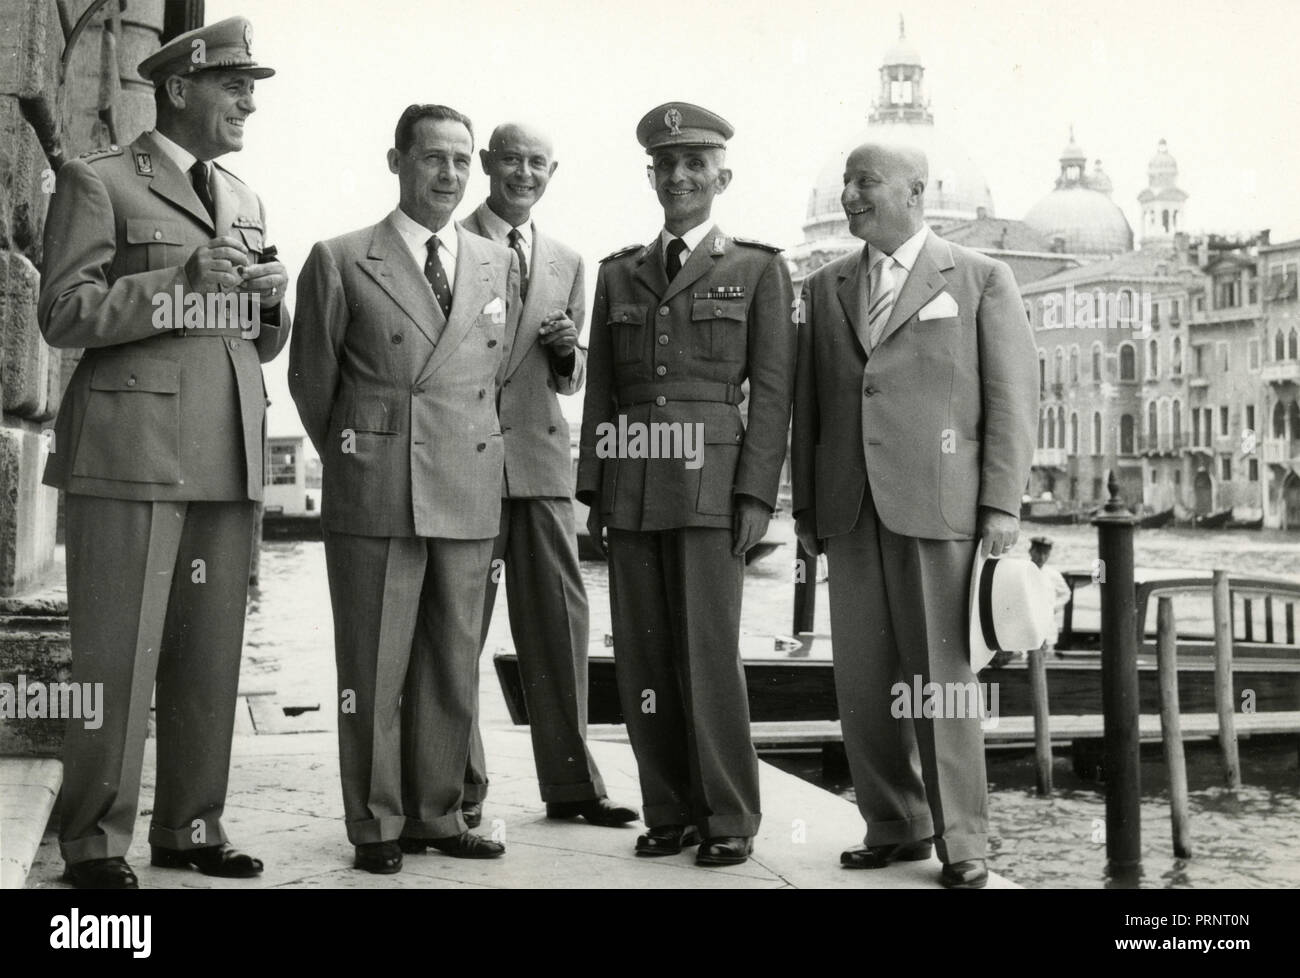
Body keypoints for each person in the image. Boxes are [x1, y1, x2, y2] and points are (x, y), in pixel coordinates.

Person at [38, 16, 289, 889]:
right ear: (180, 88)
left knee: (209, 655)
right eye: (234, 84)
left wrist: (268, 303)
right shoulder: (99, 180)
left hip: (226, 447)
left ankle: (188, 828)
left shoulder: (247, 200)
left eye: (253, 86)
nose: (248, 101)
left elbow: (250, 343)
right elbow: (64, 313)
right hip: (129, 449)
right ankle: (93, 845)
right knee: (114, 657)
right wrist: (178, 283)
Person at [791, 140, 1037, 889]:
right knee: (864, 684)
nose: (850, 195)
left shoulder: (982, 278)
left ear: (916, 191)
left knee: (945, 683)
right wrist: (806, 506)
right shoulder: (828, 285)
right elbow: (814, 408)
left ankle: (964, 843)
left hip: (942, 511)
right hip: (849, 509)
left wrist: (1000, 503)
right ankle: (894, 825)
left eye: (866, 182)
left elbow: (1011, 400)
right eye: (846, 182)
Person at [289, 104, 520, 874]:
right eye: (432, 159)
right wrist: (364, 453)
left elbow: (493, 376)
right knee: (374, 670)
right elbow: (313, 383)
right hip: (376, 488)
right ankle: (377, 823)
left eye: (461, 161)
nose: (449, 175)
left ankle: (438, 813)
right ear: (397, 162)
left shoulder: (494, 262)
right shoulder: (342, 256)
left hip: (466, 485)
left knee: (453, 667)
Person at [576, 102, 796, 866]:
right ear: (652, 176)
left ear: (721, 176)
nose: (679, 177)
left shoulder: (758, 268)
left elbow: (771, 395)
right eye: (666, 165)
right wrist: (593, 492)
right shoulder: (617, 273)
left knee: (708, 655)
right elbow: (601, 390)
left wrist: (755, 496)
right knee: (641, 656)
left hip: (712, 486)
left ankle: (729, 816)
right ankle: (668, 809)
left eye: (694, 164)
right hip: (632, 484)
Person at [460, 122, 637, 829]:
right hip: (462, 468)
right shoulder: (450, 241)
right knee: (455, 637)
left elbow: (570, 381)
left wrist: (570, 353)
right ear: (487, 164)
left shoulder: (566, 261)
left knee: (561, 628)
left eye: (537, 163)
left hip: (537, 464)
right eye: (512, 160)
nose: (524, 173)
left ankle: (573, 788)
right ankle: (458, 790)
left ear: (551, 172)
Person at [1029, 536, 1071, 653]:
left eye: (1045, 554)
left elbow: (1065, 594)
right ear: (1031, 551)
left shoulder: (1053, 574)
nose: (1042, 557)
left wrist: (1053, 607)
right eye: (1038, 553)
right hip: (1027, 626)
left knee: (1045, 659)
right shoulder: (1022, 571)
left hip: (1047, 628)